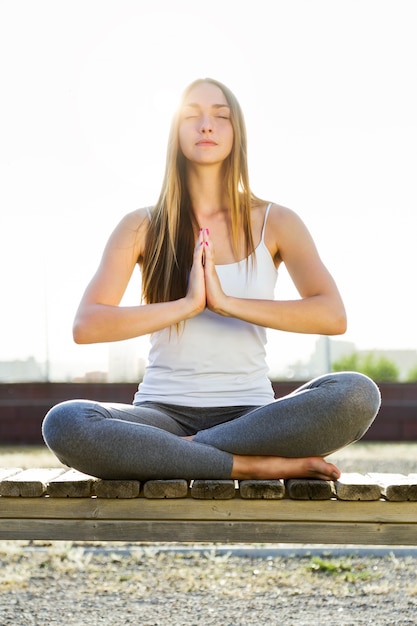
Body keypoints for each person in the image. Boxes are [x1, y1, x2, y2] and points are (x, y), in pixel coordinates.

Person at [42, 77, 380, 482]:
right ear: (175, 132)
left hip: (253, 417)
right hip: (162, 415)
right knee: (66, 421)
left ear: (236, 133)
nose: (206, 125)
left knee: (357, 393)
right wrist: (188, 304)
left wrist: (224, 302)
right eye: (191, 116)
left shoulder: (276, 222)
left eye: (220, 116)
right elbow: (87, 325)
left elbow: (331, 315)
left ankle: (181, 455)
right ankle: (250, 464)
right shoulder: (141, 226)